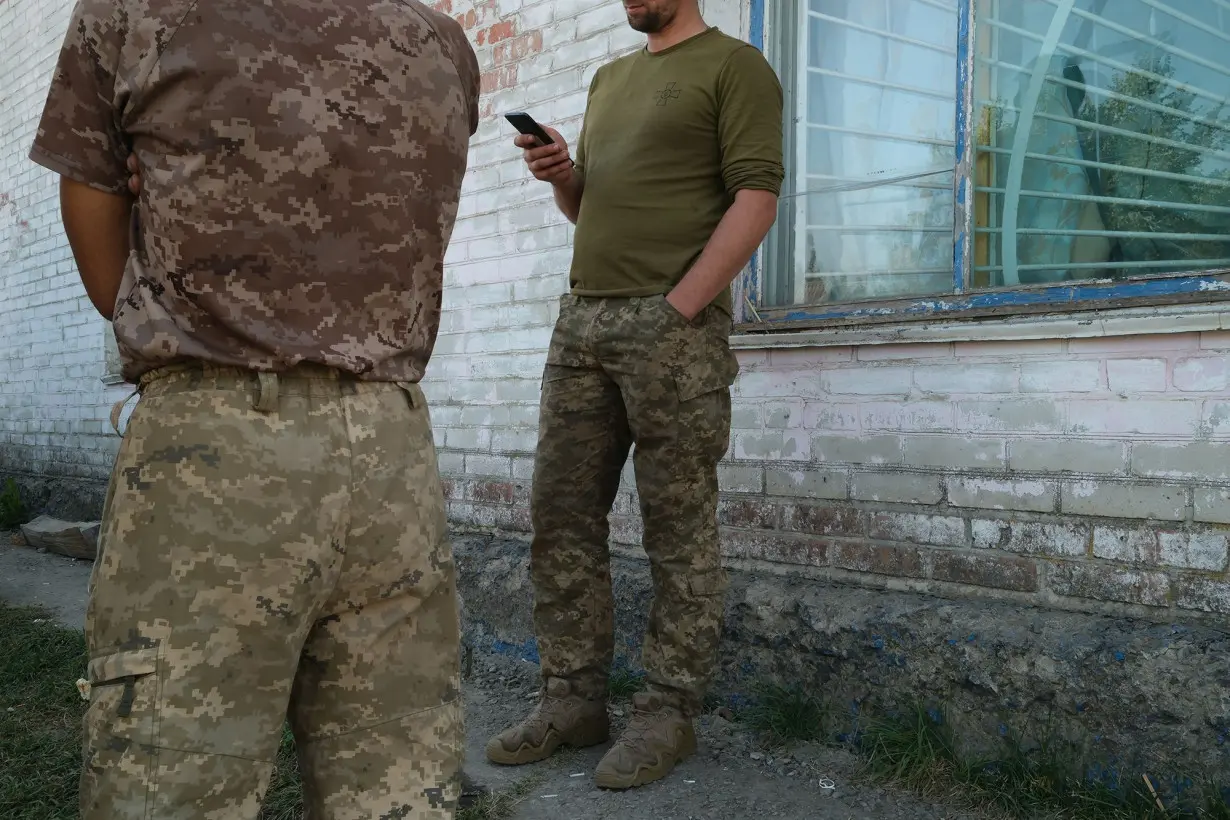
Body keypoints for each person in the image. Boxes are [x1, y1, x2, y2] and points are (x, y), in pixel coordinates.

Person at [30, 0, 479, 817]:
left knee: (171, 780)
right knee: (398, 783)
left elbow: (104, 262)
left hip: (213, 450)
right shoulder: (441, 41)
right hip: (392, 458)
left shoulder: (133, 14)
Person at [485, 0, 784, 791]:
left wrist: (680, 308)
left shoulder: (735, 67)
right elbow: (591, 210)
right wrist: (564, 176)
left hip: (672, 333)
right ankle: (574, 699)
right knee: (560, 515)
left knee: (677, 529)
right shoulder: (609, 78)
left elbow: (757, 198)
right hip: (581, 323)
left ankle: (666, 713)